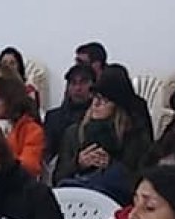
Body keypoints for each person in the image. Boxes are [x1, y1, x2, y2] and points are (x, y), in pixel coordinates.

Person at [52, 70, 153, 204]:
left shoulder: (133, 135)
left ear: (117, 106)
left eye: (104, 100)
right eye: (95, 98)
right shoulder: (74, 132)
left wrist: (110, 165)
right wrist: (78, 163)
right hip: (75, 200)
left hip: (114, 201)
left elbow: (138, 179)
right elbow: (57, 177)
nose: (96, 104)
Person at [43, 64, 96, 164]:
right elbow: (47, 155)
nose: (78, 88)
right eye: (73, 83)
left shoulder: (99, 116)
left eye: (83, 83)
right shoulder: (53, 118)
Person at [0, 46, 40, 111]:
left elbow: (32, 111)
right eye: (4, 63)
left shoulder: (28, 89)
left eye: (12, 63)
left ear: (19, 67)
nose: (8, 66)